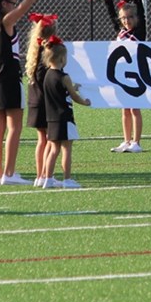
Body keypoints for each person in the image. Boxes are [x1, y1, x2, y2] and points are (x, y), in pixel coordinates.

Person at [0, 0, 52, 186]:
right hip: (9, 79)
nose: (15, 5)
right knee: (14, 128)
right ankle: (9, 174)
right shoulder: (7, 20)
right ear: (3, 3)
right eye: (12, 2)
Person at [40, 35, 91, 189]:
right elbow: (74, 96)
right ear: (62, 59)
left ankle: (47, 178)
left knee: (53, 149)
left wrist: (72, 88)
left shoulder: (48, 75)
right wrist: (85, 102)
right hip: (65, 117)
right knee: (66, 149)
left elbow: (63, 91)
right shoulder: (64, 76)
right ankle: (67, 179)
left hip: (51, 118)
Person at [25, 12, 58, 188]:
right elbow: (44, 77)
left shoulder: (34, 50)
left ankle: (40, 175)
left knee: (41, 140)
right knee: (49, 139)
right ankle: (45, 175)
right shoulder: (46, 53)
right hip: (44, 101)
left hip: (34, 99)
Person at [109, 2, 145, 154]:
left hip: (136, 75)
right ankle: (126, 140)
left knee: (134, 109)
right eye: (123, 18)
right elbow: (110, 12)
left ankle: (136, 142)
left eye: (130, 17)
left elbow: (142, 12)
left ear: (136, 18)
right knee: (124, 109)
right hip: (122, 75)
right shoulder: (121, 32)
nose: (127, 21)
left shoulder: (139, 32)